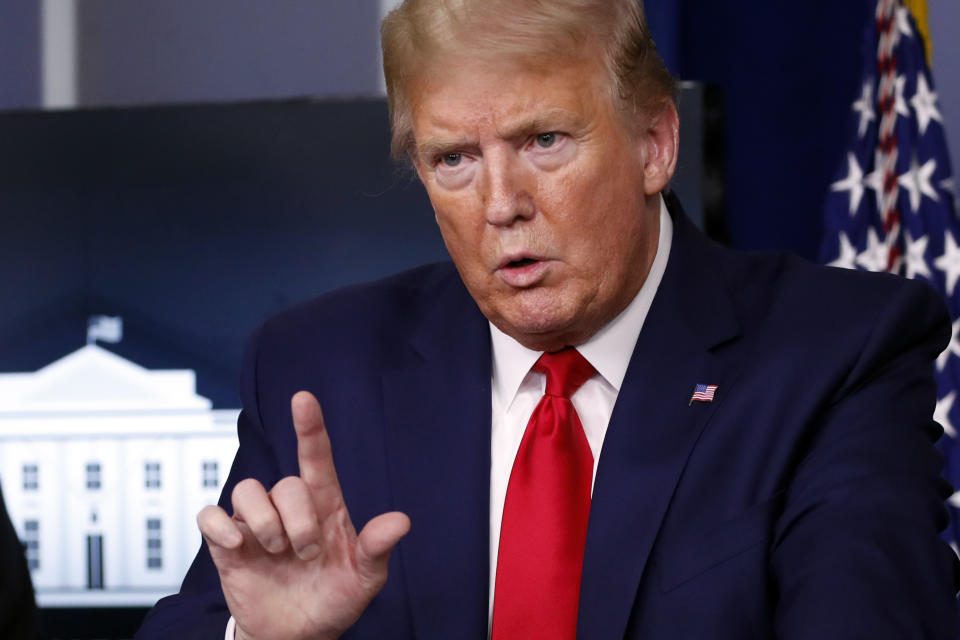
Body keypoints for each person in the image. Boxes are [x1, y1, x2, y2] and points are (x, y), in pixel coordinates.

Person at [137, 0, 960, 638]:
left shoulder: (834, 354)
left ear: (655, 144)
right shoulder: (321, 369)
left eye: (545, 141)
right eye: (453, 158)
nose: (501, 206)